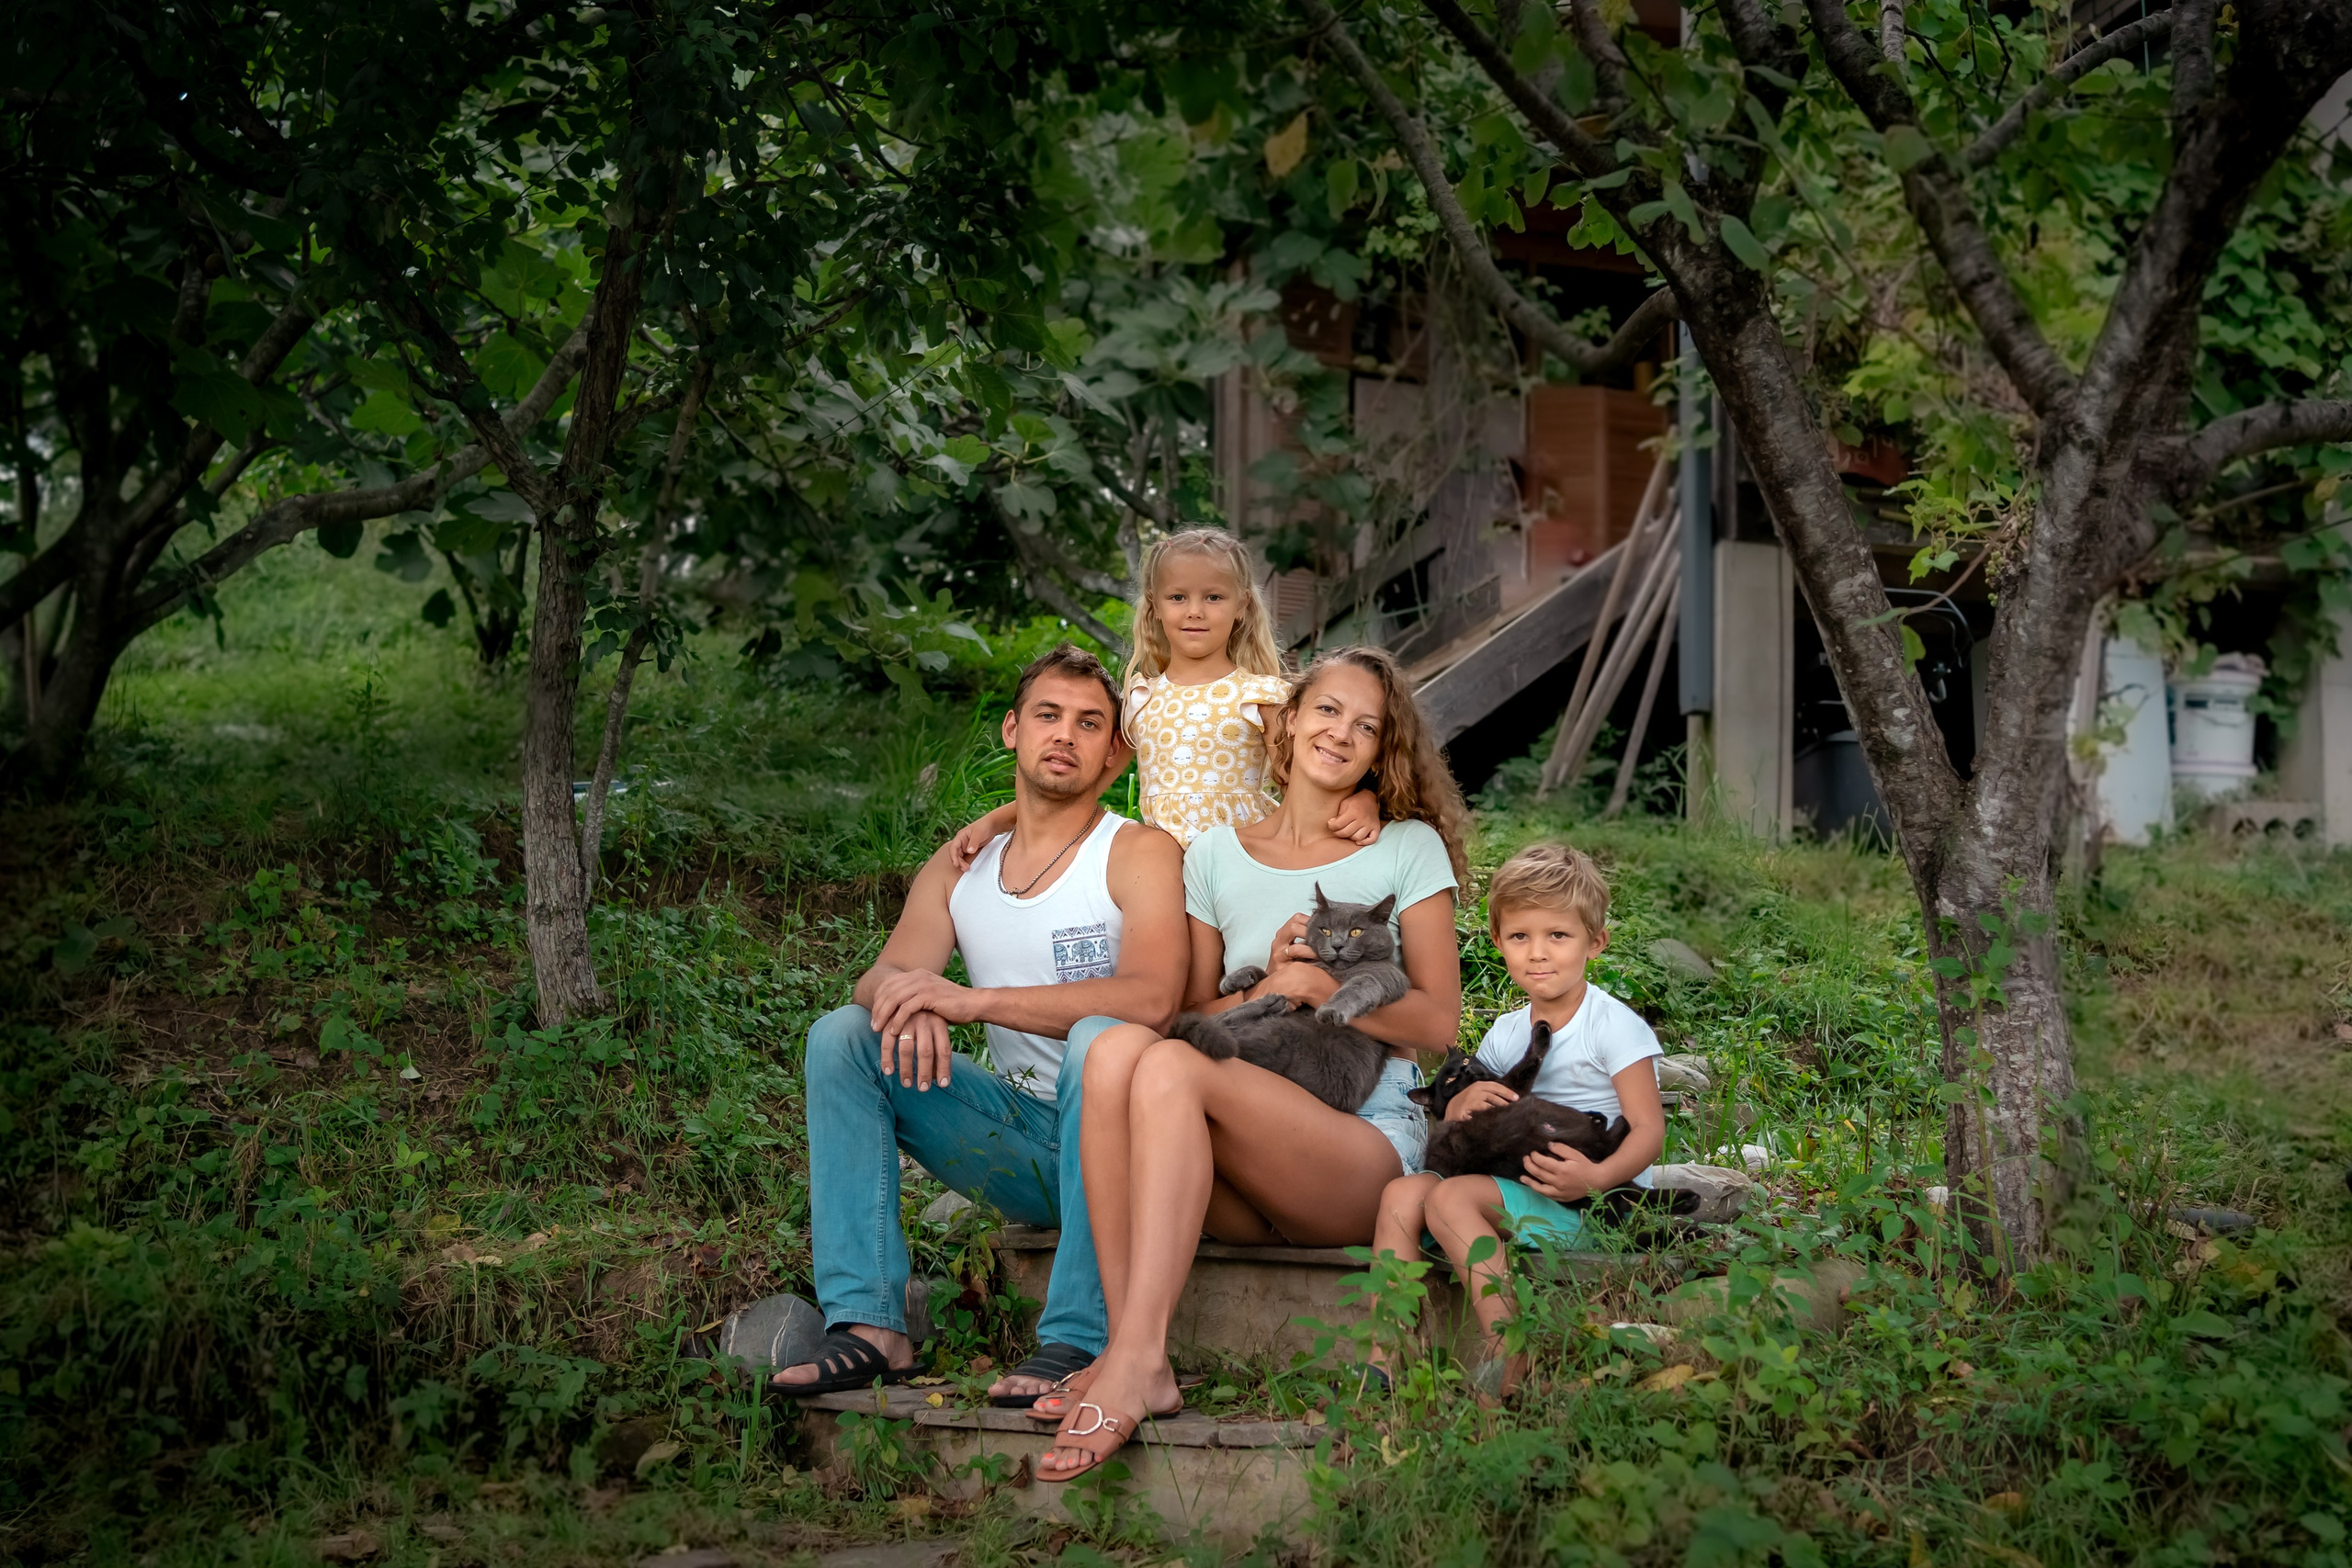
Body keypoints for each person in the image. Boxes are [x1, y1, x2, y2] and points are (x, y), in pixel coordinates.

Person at [1028, 647, 1473, 1478]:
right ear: (1290, 716)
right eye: (1329, 710)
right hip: (1240, 1159)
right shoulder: (1214, 856)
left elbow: (1441, 1023)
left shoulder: (1404, 847)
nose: (1342, 732)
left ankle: (1133, 1357)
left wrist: (1320, 984)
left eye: (1367, 727)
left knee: (1166, 1066)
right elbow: (1193, 1010)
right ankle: (1134, 1348)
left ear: (1382, 754)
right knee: (1122, 1044)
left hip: (1354, 1144)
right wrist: (1272, 984)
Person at [772, 645, 1188, 1402]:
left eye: (1089, 722)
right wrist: (915, 997)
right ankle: (871, 1323)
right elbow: (882, 974)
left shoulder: (1136, 851)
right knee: (843, 1035)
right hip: (1022, 1141)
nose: (1065, 734)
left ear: (1115, 754)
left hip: (1132, 1147)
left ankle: (1077, 1337)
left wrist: (971, 1001)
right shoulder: (966, 862)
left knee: (1104, 1041)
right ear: (1012, 730)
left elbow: (1153, 998)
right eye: (1048, 715)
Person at [1366, 841, 1667, 1402]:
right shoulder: (1507, 1031)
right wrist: (1460, 1105)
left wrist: (1597, 1180)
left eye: (1558, 935)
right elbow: (1476, 1117)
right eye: (1520, 937)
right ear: (1499, 941)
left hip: (1591, 1201)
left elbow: (1649, 1128)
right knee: (1402, 1194)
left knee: (1450, 1200)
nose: (1538, 953)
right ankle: (1388, 1354)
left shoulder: (1612, 1027)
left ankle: (1509, 1351)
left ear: (1594, 943)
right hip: (1517, 1180)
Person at [951, 527, 1380, 858]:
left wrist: (1364, 801)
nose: (1195, 610)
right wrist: (995, 822)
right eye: (1178, 597)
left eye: (1213, 597)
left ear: (1242, 606)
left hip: (1245, 859)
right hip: (1161, 867)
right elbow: (1085, 787)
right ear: (1155, 605)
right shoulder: (1142, 698)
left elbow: (1308, 781)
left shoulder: (1260, 695)